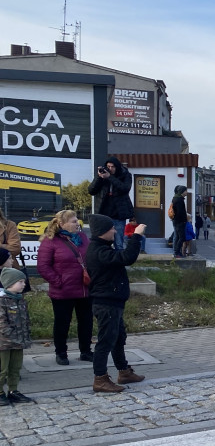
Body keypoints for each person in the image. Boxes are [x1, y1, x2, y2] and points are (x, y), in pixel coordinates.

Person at [85, 214, 146, 393]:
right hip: (106, 303)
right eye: (111, 228)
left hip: (113, 302)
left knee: (118, 338)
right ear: (102, 232)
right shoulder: (98, 251)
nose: (114, 230)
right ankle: (100, 378)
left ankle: (124, 371)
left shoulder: (102, 248)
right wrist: (137, 236)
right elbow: (127, 258)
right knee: (106, 341)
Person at [36, 210, 93, 366]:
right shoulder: (51, 241)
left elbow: (90, 257)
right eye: (74, 221)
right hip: (63, 291)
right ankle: (61, 353)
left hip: (84, 288)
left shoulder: (82, 238)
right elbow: (43, 266)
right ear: (62, 224)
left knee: (86, 322)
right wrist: (59, 282)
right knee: (62, 323)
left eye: (77, 220)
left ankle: (86, 351)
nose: (77, 223)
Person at [0, 267, 34, 405]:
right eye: (20, 281)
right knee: (3, 369)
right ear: (9, 283)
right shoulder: (2, 301)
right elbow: (1, 323)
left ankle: (13, 391)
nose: (24, 284)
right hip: (4, 343)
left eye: (24, 281)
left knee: (15, 368)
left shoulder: (21, 300)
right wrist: (11, 335)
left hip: (19, 342)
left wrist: (26, 335)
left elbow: (25, 320)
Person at [87, 157, 134, 249]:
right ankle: (103, 261)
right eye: (108, 166)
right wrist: (99, 177)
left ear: (118, 167)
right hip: (103, 214)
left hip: (118, 214)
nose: (110, 169)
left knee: (119, 243)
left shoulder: (126, 175)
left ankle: (120, 262)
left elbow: (125, 188)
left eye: (113, 167)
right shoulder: (103, 176)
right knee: (101, 242)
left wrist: (110, 177)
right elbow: (91, 191)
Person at [170, 184, 188, 258]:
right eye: (185, 191)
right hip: (179, 221)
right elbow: (180, 212)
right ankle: (177, 252)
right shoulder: (179, 200)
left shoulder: (175, 198)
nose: (187, 192)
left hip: (176, 221)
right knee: (181, 237)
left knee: (177, 237)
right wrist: (184, 220)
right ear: (182, 192)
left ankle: (176, 252)